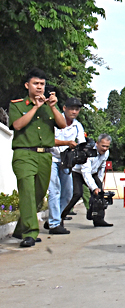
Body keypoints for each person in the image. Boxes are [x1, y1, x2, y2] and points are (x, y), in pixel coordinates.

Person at [9, 68, 66, 247]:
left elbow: (62, 124)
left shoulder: (50, 106)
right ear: (27, 85)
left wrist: (52, 107)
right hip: (24, 153)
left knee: (39, 194)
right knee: (27, 192)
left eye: (42, 84)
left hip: (45, 156)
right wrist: (35, 107)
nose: (39, 87)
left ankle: (20, 229)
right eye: (36, 83)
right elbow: (17, 125)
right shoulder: (18, 105)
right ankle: (30, 233)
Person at [46, 98, 85, 234]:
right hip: (51, 158)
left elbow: (81, 143)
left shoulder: (78, 126)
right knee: (55, 191)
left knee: (68, 193)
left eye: (77, 109)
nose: (74, 111)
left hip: (67, 161)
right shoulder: (54, 121)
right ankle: (54, 224)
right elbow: (49, 141)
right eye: (71, 108)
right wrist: (67, 143)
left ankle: (54, 218)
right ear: (64, 108)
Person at [61, 134, 113, 227]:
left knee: (99, 194)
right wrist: (94, 188)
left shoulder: (106, 152)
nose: (105, 149)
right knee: (77, 194)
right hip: (78, 172)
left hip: (93, 172)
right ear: (97, 144)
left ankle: (98, 219)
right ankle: (59, 219)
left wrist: (99, 184)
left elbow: (102, 167)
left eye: (107, 146)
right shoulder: (88, 151)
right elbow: (85, 172)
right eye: (103, 146)